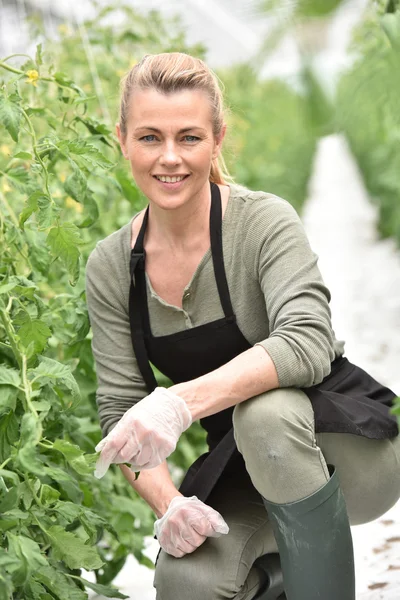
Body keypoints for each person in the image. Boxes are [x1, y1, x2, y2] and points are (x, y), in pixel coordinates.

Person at [86, 52, 400, 600]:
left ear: (217, 138)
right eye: (149, 138)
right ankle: (281, 579)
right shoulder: (113, 267)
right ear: (122, 139)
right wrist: (170, 504)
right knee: (187, 579)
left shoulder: (261, 222)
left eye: (189, 137)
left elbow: (306, 342)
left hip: (341, 450)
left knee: (266, 414)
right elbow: (121, 412)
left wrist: (179, 402)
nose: (169, 158)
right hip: (244, 467)